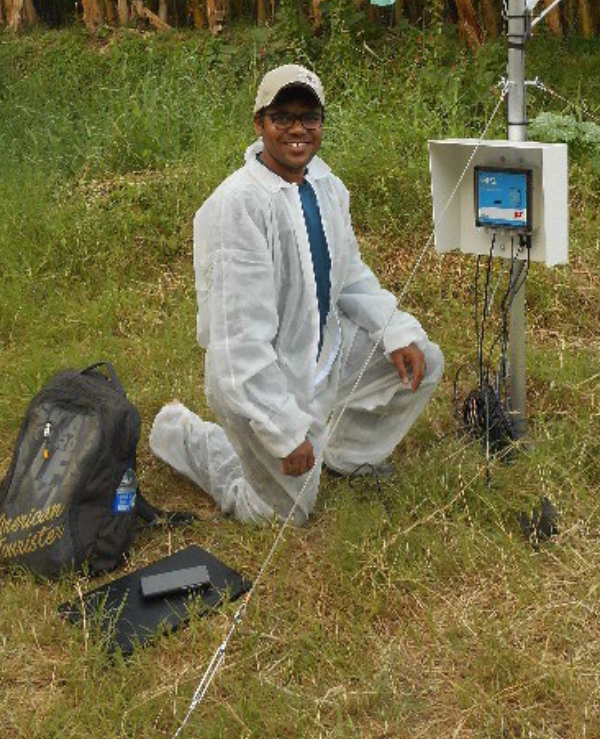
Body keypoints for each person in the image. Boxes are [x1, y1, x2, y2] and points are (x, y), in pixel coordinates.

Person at [149, 64, 443, 525]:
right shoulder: (237, 207)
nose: (297, 130)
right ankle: (180, 433)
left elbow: (350, 277)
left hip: (324, 360)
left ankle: (344, 456)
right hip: (264, 380)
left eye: (310, 117)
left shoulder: (326, 187)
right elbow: (237, 343)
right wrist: (283, 432)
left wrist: (395, 331)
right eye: (282, 117)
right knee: (280, 515)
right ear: (259, 123)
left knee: (423, 360)